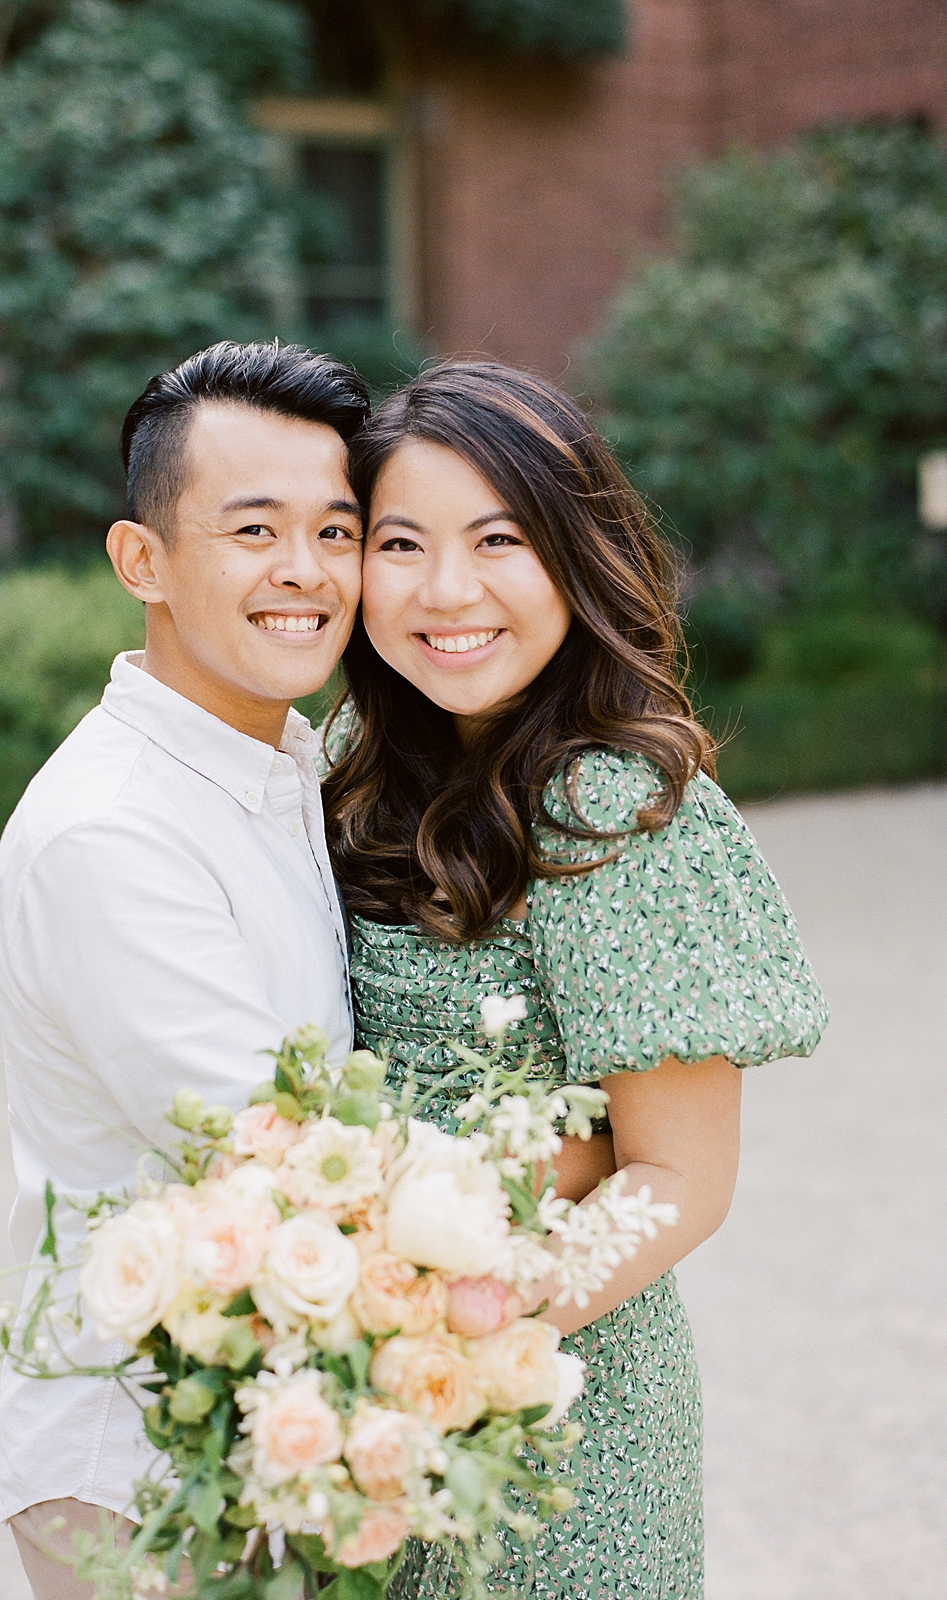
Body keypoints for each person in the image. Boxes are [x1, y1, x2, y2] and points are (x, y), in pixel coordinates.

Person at [320, 361, 829, 1600]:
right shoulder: (350, 762)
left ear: (574, 553)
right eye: (401, 543)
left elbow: (677, 1179)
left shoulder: (611, 800)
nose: (448, 591)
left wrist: (441, 1348)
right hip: (358, 1405)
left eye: (499, 539)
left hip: (560, 1425)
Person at [0, 340, 371, 1599]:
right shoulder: (115, 829)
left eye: (337, 530)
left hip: (268, 1451)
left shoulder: (284, 764)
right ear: (140, 560)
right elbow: (277, 1157)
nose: (305, 572)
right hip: (144, 1479)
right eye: (254, 529)